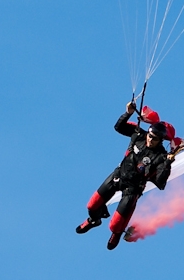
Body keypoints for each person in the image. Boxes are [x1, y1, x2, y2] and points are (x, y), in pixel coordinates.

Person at [76, 101, 177, 250]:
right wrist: (128, 113)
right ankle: (94, 220)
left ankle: (117, 233)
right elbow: (119, 127)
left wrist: (168, 163)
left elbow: (161, 183)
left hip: (133, 189)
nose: (150, 139)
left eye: (154, 138)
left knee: (115, 225)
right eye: (150, 135)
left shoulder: (161, 156)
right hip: (118, 175)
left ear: (161, 140)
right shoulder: (139, 135)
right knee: (92, 206)